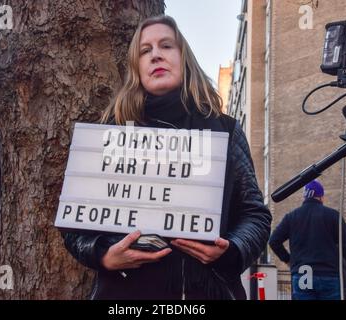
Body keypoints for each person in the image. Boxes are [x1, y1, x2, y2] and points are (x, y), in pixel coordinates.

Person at [63, 15, 271, 300]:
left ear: (183, 57)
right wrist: (103, 255)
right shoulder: (108, 135)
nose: (156, 54)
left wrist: (231, 251)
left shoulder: (225, 131)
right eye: (145, 50)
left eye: (166, 46)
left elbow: (254, 214)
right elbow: (74, 225)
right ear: (136, 66)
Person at [269, 180, 346, 300]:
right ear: (321, 197)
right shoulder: (333, 216)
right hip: (329, 275)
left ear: (304, 196)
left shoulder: (291, 217)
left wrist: (289, 260)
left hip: (303, 275)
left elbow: (273, 241)